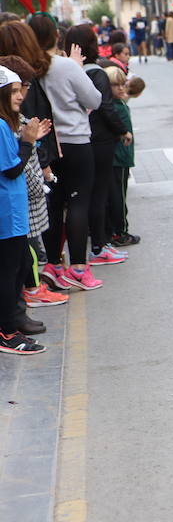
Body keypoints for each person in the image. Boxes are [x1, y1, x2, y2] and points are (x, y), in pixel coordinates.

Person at [30, 17, 105, 290]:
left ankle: (52, 264)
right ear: (55, 37)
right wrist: (78, 68)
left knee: (55, 201)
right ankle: (78, 268)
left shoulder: (29, 67)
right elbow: (94, 99)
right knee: (78, 202)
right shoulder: (64, 65)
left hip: (46, 142)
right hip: (75, 139)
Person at [66, 25, 131, 267]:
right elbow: (103, 105)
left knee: (81, 197)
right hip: (99, 139)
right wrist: (122, 130)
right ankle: (99, 246)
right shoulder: (96, 72)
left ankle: (95, 246)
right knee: (98, 194)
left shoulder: (63, 70)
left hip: (72, 139)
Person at [0, 65, 52, 354]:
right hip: (6, 214)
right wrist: (28, 142)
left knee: (16, 272)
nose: (20, 96)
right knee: (8, 275)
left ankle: (9, 328)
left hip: (13, 213)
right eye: (15, 91)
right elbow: (11, 169)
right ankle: (7, 333)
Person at [108, 72, 143, 247]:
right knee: (118, 196)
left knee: (117, 194)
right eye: (116, 85)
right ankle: (119, 232)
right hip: (119, 157)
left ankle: (116, 230)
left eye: (123, 84)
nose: (122, 88)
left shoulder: (117, 104)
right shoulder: (115, 107)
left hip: (119, 157)